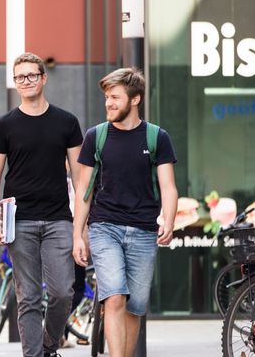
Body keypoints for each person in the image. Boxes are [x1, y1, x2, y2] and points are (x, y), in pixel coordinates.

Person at [0, 52, 83, 357]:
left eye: (31, 75)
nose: (25, 81)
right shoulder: (5, 125)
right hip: (19, 221)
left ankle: (50, 345)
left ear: (43, 78)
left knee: (63, 293)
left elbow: (80, 178)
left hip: (58, 220)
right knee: (27, 297)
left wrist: (82, 227)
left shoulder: (66, 122)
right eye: (19, 77)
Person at [72, 68, 178, 357]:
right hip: (104, 227)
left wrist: (168, 219)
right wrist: (78, 235)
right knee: (115, 297)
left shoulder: (157, 137)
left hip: (144, 230)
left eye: (115, 97)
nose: (108, 103)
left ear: (135, 99)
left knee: (135, 307)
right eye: (107, 97)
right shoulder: (96, 136)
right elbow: (84, 189)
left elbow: (168, 187)